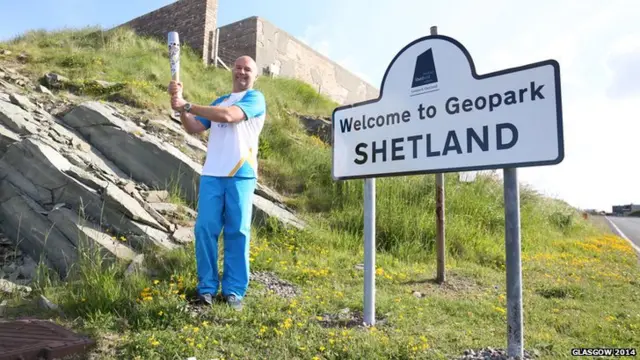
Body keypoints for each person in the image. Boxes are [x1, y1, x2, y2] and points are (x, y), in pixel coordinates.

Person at [168, 55, 266, 311]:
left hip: (241, 173)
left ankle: (234, 291)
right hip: (212, 173)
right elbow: (193, 127)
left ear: (255, 75)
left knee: (238, 232)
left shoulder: (255, 99)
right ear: (232, 71)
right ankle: (207, 290)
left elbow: (229, 116)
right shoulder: (219, 100)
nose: (242, 72)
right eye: (238, 67)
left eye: (248, 69)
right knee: (204, 230)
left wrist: (188, 104)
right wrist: (179, 108)